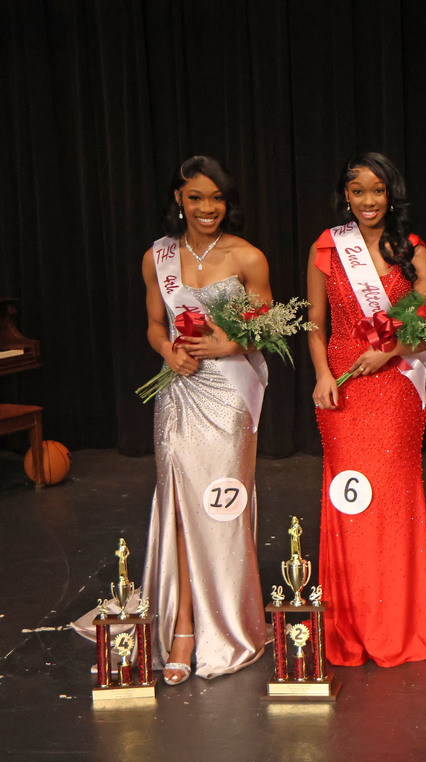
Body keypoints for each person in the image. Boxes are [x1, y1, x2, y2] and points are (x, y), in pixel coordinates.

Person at [307, 152, 426, 667]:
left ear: (391, 194)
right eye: (357, 191)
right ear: (344, 195)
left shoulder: (410, 248)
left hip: (393, 382)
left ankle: (395, 620)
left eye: (376, 191)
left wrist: (390, 350)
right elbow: (315, 324)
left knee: (390, 498)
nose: (367, 201)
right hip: (343, 383)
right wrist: (324, 375)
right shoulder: (328, 247)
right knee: (351, 500)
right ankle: (350, 620)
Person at [140, 156, 270, 684]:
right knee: (176, 504)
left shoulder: (247, 257)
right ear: (179, 198)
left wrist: (226, 341)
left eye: (216, 198)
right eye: (196, 197)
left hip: (228, 395)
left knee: (221, 505)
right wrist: (169, 353)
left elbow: (264, 329)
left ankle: (228, 624)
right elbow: (154, 323)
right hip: (179, 390)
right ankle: (182, 627)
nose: (207, 208)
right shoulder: (158, 257)